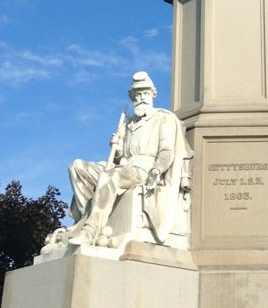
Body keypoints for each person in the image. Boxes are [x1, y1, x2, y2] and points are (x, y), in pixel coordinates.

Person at [64, 71, 191, 247]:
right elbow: (120, 158)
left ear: (152, 95)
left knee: (109, 177)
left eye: (145, 93)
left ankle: (91, 230)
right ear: (132, 98)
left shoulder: (163, 118)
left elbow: (167, 152)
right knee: (77, 167)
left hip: (145, 169)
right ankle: (88, 216)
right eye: (137, 94)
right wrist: (116, 147)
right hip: (124, 168)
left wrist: (158, 169)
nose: (141, 98)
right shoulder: (128, 125)